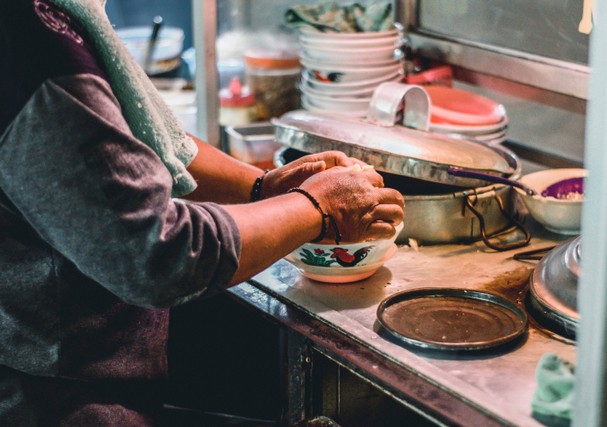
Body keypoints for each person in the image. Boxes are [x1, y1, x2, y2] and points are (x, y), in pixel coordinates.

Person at [0, 0, 405, 425]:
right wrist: (316, 207)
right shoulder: (29, 44)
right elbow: (155, 252)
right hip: (50, 398)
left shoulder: (51, 18)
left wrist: (262, 187)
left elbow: (136, 140)